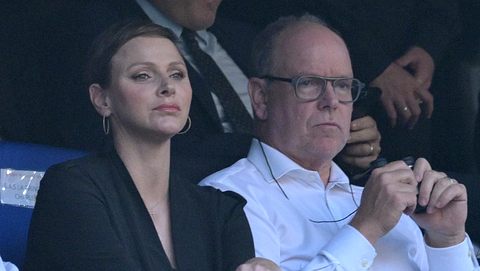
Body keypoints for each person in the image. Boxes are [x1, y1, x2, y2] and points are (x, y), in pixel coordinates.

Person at [201, 14, 479, 270]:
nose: (331, 101)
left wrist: (447, 238)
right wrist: (367, 227)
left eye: (343, 85)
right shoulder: (228, 198)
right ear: (261, 97)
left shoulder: (378, 197)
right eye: (309, 82)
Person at [1, 0, 379, 181]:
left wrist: (344, 139)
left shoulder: (246, 41)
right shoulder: (97, 36)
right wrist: (286, 145)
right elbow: (131, 146)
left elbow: (305, 112)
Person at [23, 21, 278, 271]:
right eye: (143, 75)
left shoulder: (221, 210)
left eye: (177, 74)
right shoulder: (70, 187)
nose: (167, 87)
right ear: (102, 99)